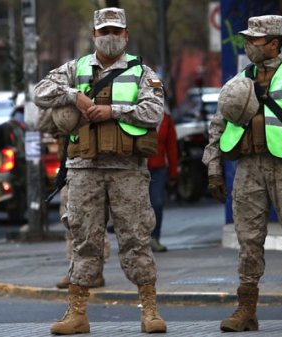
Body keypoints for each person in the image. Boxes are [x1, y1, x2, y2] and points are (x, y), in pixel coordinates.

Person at [34, 7, 167, 334]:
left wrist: (112, 111)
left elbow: (154, 112)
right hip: (83, 168)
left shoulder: (141, 72)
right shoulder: (75, 69)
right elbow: (40, 93)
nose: (110, 38)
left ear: (126, 35)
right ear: (94, 35)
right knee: (83, 239)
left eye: (115, 32)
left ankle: (149, 311)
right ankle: (77, 314)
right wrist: (74, 96)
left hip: (128, 170)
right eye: (103, 32)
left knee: (136, 237)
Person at [202, 15, 282, 332]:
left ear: (274, 43)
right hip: (248, 168)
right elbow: (217, 127)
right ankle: (246, 311)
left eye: (254, 40)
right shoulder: (238, 80)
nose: (248, 45)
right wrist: (214, 167)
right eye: (247, 39)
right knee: (247, 241)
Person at [147, 111, 178, 252]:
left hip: (158, 168)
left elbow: (171, 147)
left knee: (157, 203)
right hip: (138, 167)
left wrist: (173, 172)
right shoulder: (138, 113)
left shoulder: (166, 119)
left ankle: (154, 238)